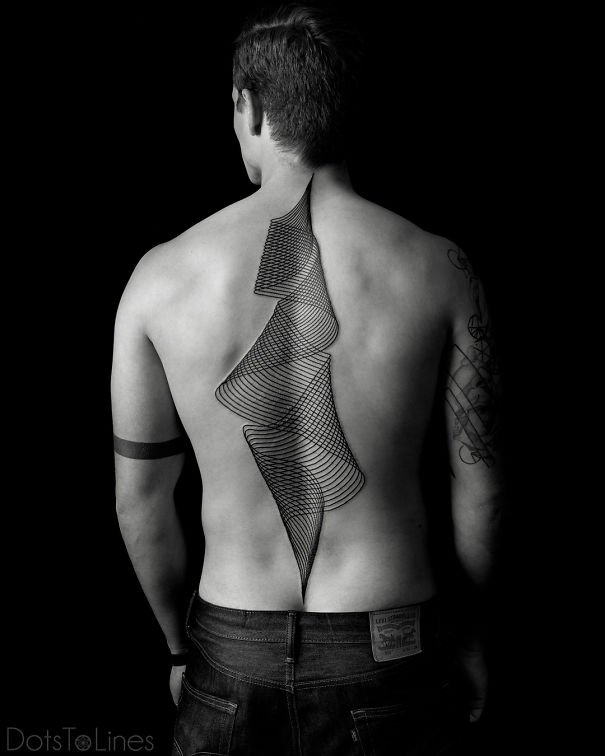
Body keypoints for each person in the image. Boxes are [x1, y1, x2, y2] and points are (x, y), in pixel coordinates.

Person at [111, 4, 504, 754]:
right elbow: (482, 487)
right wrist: (477, 635)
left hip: (230, 647)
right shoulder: (440, 267)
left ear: (249, 108)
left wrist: (177, 649)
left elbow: (140, 503)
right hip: (391, 644)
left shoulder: (158, 279)